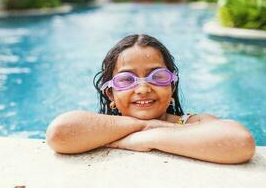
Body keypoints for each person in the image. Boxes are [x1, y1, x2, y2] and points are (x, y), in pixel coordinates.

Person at [46, 34, 255, 164]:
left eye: (158, 77)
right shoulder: (101, 128)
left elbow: (240, 142)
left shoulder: (192, 122)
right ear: (111, 94)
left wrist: (148, 135)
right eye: (127, 80)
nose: (143, 88)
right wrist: (146, 125)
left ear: (172, 87)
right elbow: (59, 133)